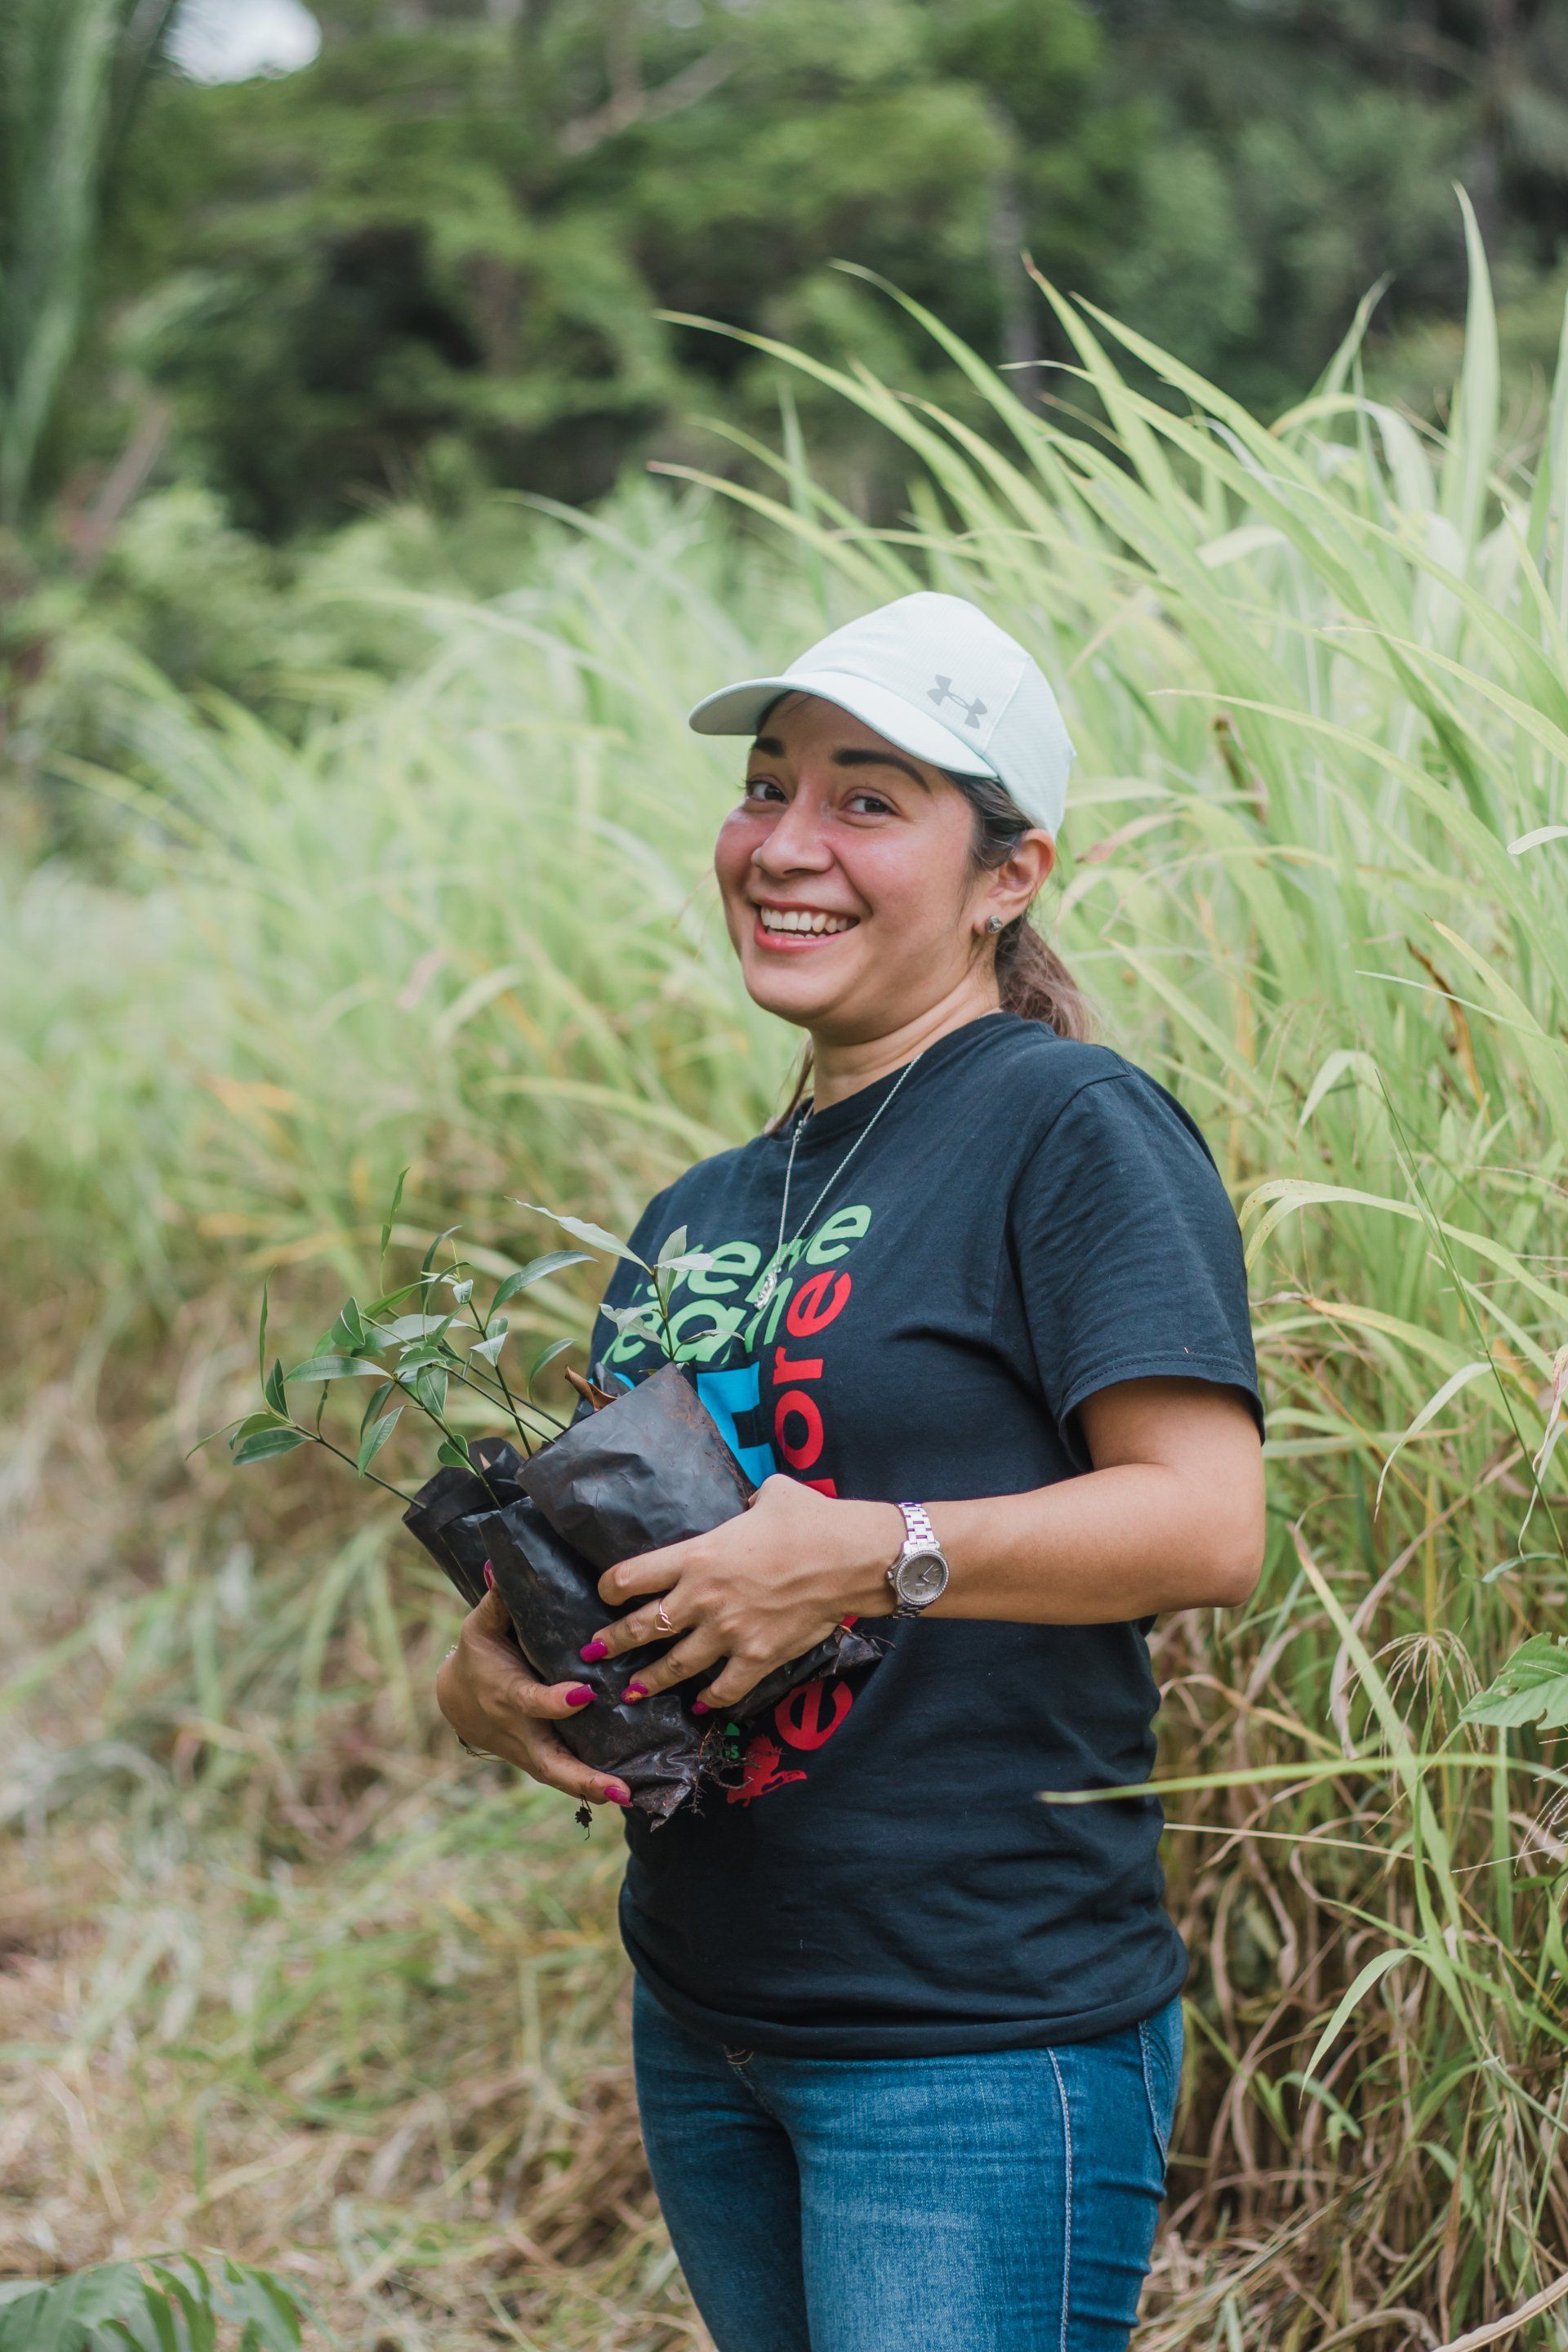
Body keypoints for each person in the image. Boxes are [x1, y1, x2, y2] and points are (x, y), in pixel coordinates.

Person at [438, 592, 1266, 2352]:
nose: (785, 845)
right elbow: (637, 1566)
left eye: (869, 800)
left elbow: (1206, 1521)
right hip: (712, 2010)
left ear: (1009, 874)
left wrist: (869, 1552)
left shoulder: (1070, 1127)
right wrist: (501, 1672)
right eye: (765, 787)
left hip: (973, 2040)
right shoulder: (698, 1211)